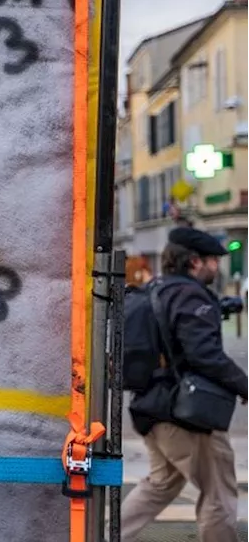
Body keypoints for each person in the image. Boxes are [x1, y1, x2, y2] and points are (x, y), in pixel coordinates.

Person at [121, 226, 249, 542]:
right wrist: (244, 385)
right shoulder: (191, 296)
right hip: (186, 416)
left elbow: (171, 334)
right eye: (212, 261)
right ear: (194, 262)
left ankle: (106, 535)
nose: (216, 267)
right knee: (219, 492)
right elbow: (204, 354)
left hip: (151, 407)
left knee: (161, 484)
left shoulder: (155, 289)